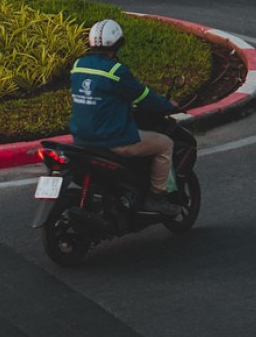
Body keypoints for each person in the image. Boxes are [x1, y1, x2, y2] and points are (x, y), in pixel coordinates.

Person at [69, 19, 185, 217]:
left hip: (81, 139)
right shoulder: (116, 71)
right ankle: (156, 197)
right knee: (165, 144)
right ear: (117, 44)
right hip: (114, 140)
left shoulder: (79, 65)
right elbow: (143, 96)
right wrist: (168, 106)